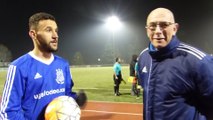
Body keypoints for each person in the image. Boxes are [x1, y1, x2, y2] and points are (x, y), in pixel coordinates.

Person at [0, 12, 86, 120]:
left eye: (56, 30)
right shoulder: (18, 67)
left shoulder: (63, 64)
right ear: (33, 34)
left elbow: (65, 94)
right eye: (48, 30)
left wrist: (76, 99)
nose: (55, 35)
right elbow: (8, 113)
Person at [137, 7, 213, 120]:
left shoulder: (197, 61)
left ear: (174, 28)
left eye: (164, 25)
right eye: (152, 26)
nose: (157, 31)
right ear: (147, 30)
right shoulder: (144, 57)